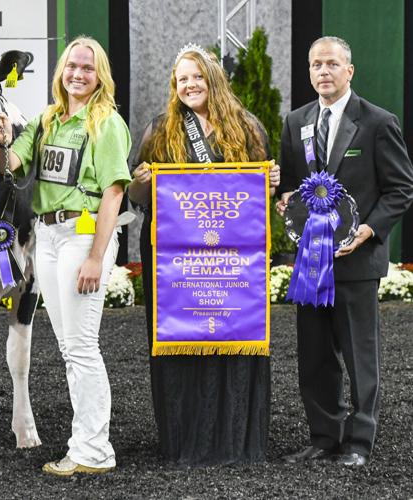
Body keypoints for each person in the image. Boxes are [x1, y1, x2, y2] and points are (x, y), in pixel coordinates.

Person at [126, 45, 280, 465]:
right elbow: (134, 195)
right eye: (182, 79)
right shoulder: (160, 130)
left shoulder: (247, 128)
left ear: (213, 79)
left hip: (231, 260)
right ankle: (183, 440)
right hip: (175, 263)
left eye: (197, 76)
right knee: (182, 339)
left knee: (234, 337)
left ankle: (235, 440)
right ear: (174, 87)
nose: (189, 85)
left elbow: (260, 193)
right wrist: (142, 181)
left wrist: (269, 182)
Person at [0, 36, 131, 476]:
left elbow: (113, 193)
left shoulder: (107, 122)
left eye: (88, 68)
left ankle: (93, 449)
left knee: (83, 347)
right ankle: (87, 443)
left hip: (82, 235)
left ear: (99, 75)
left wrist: (96, 257)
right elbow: (10, 165)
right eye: (72, 66)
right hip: (47, 237)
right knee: (70, 348)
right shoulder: (48, 119)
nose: (78, 74)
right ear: (61, 72)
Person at [276, 36, 413, 467]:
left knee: (360, 356)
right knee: (314, 356)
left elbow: (400, 189)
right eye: (316, 65)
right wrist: (283, 199)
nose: (323, 72)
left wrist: (369, 230)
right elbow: (292, 188)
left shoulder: (377, 122)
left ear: (349, 71)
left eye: (332, 64)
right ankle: (323, 437)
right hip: (311, 264)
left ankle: (359, 442)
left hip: (357, 262)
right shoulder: (295, 121)